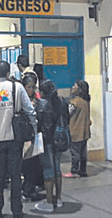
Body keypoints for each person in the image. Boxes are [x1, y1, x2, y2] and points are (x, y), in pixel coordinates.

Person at [0, 61, 37, 218]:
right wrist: (35, 129)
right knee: (15, 175)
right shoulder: (17, 88)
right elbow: (29, 110)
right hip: (14, 138)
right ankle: (17, 210)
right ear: (7, 73)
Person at [34, 80, 67, 213]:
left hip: (46, 140)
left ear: (42, 92)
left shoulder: (41, 104)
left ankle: (48, 202)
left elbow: (37, 121)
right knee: (57, 169)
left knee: (48, 170)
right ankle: (58, 199)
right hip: (59, 139)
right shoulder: (60, 101)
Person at [20, 72, 44, 201]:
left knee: (34, 163)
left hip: (35, 136)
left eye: (33, 87)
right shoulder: (20, 100)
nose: (31, 90)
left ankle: (31, 187)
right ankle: (27, 189)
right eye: (28, 87)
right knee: (27, 164)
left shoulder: (37, 99)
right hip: (24, 137)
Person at [64, 80, 92, 178]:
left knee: (75, 152)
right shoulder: (86, 100)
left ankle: (74, 171)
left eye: (75, 85)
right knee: (83, 152)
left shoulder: (74, 102)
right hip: (85, 131)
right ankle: (82, 170)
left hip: (75, 131)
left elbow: (68, 114)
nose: (73, 87)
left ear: (79, 89)